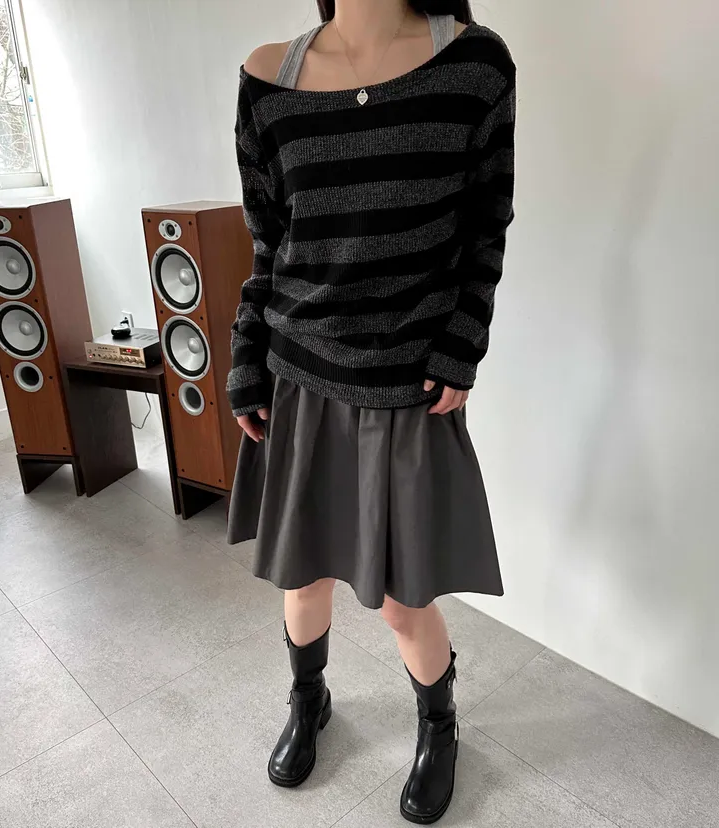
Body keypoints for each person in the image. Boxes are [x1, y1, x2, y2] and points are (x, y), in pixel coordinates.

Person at [226, 0, 515, 822]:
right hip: (299, 378)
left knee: (402, 597)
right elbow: (268, 242)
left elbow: (486, 225)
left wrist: (461, 345)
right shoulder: (267, 78)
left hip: (405, 388)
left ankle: (440, 725)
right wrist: (247, 360)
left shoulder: (474, 66)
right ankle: (308, 699)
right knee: (303, 576)